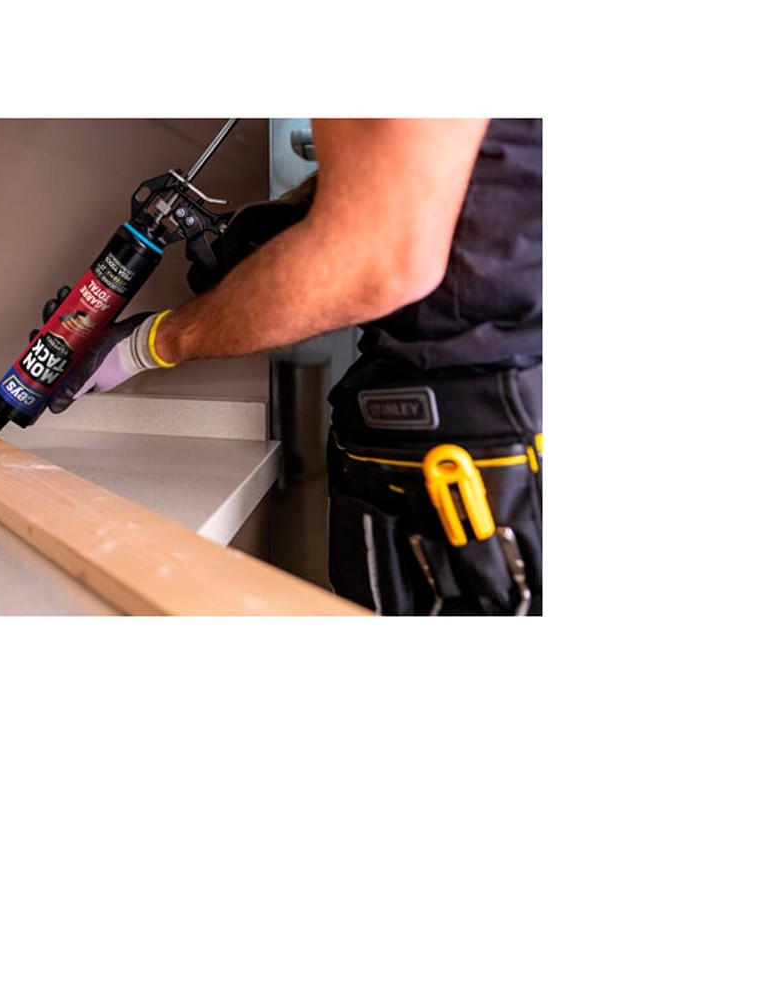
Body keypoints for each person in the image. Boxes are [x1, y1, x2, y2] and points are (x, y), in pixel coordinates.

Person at [49, 119, 542, 616]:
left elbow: (382, 261)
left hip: (467, 457)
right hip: (453, 428)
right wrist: (292, 220)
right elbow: (413, 155)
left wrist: (143, 345)